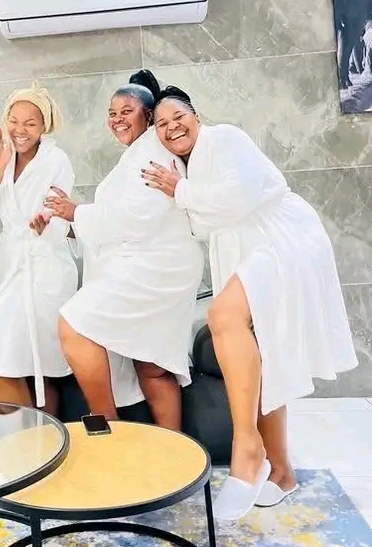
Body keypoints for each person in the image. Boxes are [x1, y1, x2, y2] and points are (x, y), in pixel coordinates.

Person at [144, 87, 357, 521]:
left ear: (196, 115)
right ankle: (281, 473)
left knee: (222, 316)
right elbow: (202, 225)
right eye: (162, 124)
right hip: (246, 248)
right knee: (263, 356)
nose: (172, 127)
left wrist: (181, 190)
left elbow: (238, 198)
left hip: (280, 239)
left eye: (178, 116)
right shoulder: (189, 166)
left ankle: (248, 448)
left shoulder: (225, 138)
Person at [45, 71, 204, 429]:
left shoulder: (153, 154)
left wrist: (76, 212)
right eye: (112, 113)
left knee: (74, 325)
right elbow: (125, 216)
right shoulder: (141, 153)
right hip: (159, 263)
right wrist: (72, 219)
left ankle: (108, 426)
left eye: (126, 111)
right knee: (152, 365)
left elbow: (138, 217)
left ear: (147, 116)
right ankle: (173, 450)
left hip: (157, 268)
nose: (117, 119)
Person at [0, 84, 78, 413]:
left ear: (44, 125)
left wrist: (46, 228)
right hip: (12, 270)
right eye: (14, 121)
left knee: (38, 368)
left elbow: (60, 217)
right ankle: (33, 435)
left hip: (45, 270)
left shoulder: (57, 161)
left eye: (30, 123)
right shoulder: (3, 157)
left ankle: (40, 436)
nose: (20, 130)